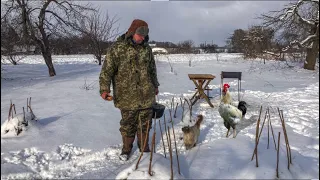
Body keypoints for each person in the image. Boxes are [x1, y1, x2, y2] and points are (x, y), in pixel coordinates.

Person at [99, 19, 160, 161]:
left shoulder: (147, 49)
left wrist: (155, 85)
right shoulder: (117, 48)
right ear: (132, 32)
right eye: (140, 35)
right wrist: (104, 89)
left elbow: (152, 69)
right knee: (128, 124)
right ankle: (126, 150)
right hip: (126, 95)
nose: (143, 38)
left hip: (146, 94)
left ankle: (144, 149)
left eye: (145, 36)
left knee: (145, 124)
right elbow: (107, 71)